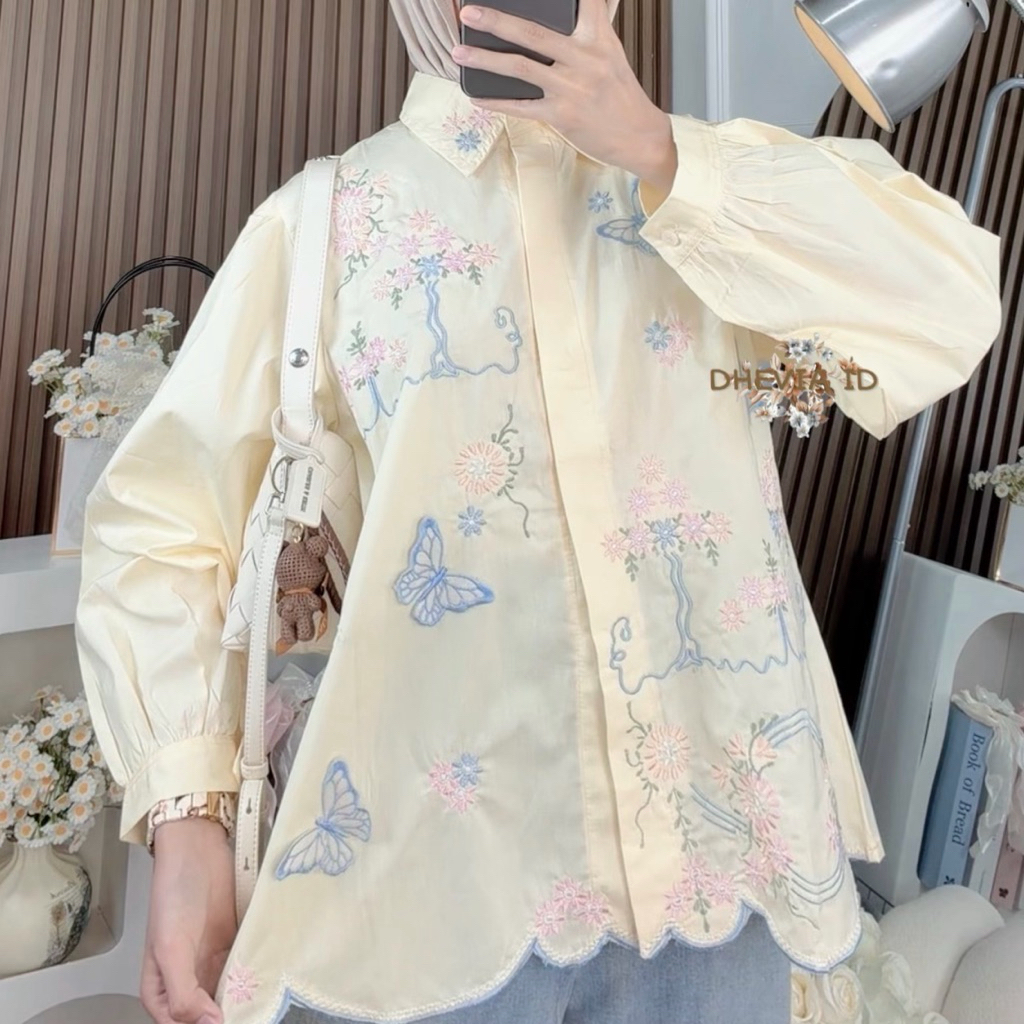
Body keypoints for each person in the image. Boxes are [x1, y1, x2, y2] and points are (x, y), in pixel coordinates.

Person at [75, 1, 1003, 1023]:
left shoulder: (710, 191)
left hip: (719, 872)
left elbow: (949, 304)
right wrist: (188, 824)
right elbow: (160, 527)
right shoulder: (327, 225)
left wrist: (662, 150)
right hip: (429, 901)